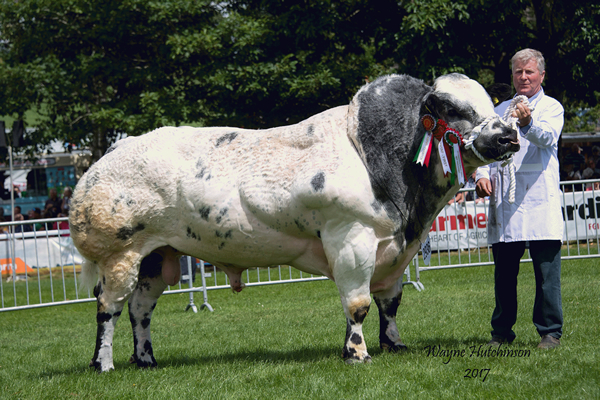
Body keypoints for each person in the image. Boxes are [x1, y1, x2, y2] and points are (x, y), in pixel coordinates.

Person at [476, 48, 564, 349]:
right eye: (518, 72)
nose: (523, 77)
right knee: (504, 277)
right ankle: (501, 332)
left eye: (529, 72)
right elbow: (485, 150)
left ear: (541, 75)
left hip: (540, 199)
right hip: (506, 203)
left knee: (546, 275)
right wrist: (482, 175)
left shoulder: (552, 108)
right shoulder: (498, 111)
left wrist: (527, 123)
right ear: (512, 75)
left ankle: (550, 331)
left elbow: (548, 138)